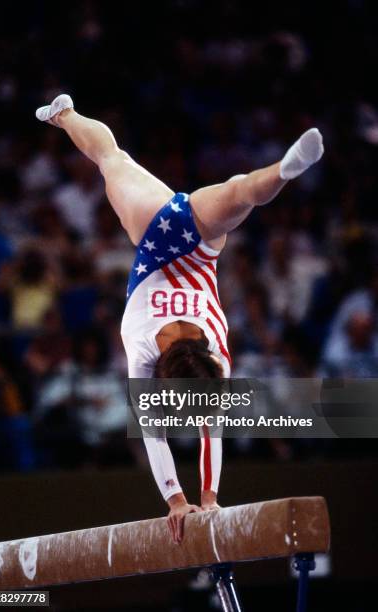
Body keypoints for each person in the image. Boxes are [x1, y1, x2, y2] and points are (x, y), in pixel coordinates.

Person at [36, 94, 324, 542]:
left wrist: (205, 497)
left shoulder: (214, 353)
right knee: (109, 157)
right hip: (153, 233)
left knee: (241, 190)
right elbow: (156, 436)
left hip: (196, 242)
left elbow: (211, 432)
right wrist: (181, 500)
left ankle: (282, 171)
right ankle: (65, 115)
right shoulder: (144, 350)